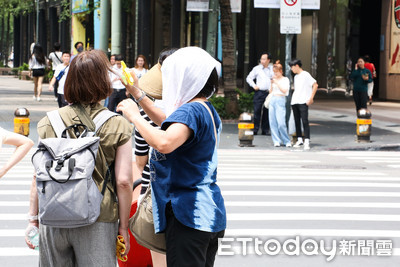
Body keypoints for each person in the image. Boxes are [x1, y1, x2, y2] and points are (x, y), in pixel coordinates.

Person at [117, 47, 226, 267]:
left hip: (189, 214)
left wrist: (134, 117)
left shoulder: (190, 112)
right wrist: (138, 94)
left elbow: (164, 142)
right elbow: (166, 122)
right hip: (206, 212)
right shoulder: (203, 108)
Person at [25, 50, 133, 266]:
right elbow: (123, 181)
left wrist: (33, 219)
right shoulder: (117, 124)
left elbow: (38, 175)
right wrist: (123, 227)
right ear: (103, 81)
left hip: (54, 215)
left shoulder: (49, 121)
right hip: (99, 217)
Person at [289, 59, 318, 150]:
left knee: (305, 121)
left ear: (297, 66)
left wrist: (311, 98)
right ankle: (299, 139)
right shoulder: (296, 77)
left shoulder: (305, 74)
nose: (291, 69)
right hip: (295, 101)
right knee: (297, 121)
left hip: (303, 101)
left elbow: (315, 85)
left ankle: (307, 140)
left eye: (292, 67)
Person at [246, 52, 273, 135]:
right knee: (257, 110)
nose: (262, 61)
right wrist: (254, 86)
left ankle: (265, 130)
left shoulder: (272, 69)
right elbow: (249, 78)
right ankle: (255, 129)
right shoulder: (257, 68)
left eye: (264, 59)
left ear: (268, 60)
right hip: (259, 92)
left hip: (268, 92)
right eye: (261, 59)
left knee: (267, 111)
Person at [269, 61, 291, 147]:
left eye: (277, 72)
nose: (275, 74)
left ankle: (286, 140)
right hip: (272, 99)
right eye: (274, 72)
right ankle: (276, 140)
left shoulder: (285, 79)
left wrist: (277, 83)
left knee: (281, 122)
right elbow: (270, 91)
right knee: (272, 121)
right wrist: (271, 84)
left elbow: (285, 91)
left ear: (281, 71)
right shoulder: (273, 80)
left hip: (281, 99)